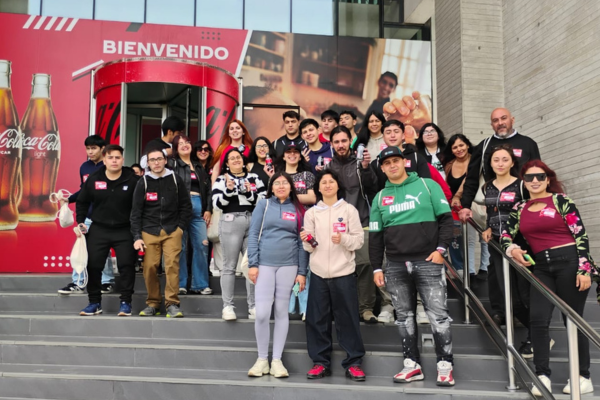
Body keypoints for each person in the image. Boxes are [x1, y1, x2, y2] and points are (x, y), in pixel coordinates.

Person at [501, 160, 599, 396]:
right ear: (523, 182)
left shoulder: (561, 201)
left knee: (573, 321)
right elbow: (505, 234)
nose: (535, 181)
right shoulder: (519, 208)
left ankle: (582, 376)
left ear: (548, 179)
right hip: (541, 268)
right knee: (537, 320)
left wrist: (584, 269)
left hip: (570, 263)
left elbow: (581, 235)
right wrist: (512, 249)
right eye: (529, 177)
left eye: (540, 177)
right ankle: (541, 375)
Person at [369, 146, 455, 387]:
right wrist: (377, 267)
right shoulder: (379, 197)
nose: (392, 165)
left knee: (438, 317)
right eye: (387, 163)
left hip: (427, 262)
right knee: (404, 317)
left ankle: (445, 366)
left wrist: (441, 250)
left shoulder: (428, 185)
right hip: (395, 265)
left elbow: (447, 220)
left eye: (396, 160)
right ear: (382, 168)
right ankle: (412, 366)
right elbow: (375, 236)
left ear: (404, 163)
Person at [302, 170, 367, 382]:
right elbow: (309, 247)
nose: (328, 185)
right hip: (319, 273)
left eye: (331, 181)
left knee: (347, 318)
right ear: (318, 188)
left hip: (344, 273)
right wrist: (308, 240)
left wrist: (344, 239)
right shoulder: (311, 213)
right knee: (317, 320)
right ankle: (320, 363)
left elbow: (358, 241)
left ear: (337, 186)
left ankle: (354, 362)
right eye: (323, 182)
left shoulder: (349, 210)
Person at [246, 172, 308, 378]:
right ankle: (262, 359)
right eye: (277, 183)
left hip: (289, 265)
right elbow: (253, 234)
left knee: (282, 311)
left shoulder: (298, 209)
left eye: (285, 183)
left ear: (291, 187)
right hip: (263, 264)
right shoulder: (263, 206)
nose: (281, 186)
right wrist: (253, 264)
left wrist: (301, 272)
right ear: (271, 187)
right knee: (262, 312)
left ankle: (277, 360)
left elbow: (302, 243)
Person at [479, 144, 532, 356]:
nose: (500, 164)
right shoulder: (487, 187)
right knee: (506, 291)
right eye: (496, 160)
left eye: (504, 159)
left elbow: (529, 212)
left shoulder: (521, 185)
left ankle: (536, 335)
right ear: (490, 164)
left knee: (523, 294)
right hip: (497, 245)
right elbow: (491, 212)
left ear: (512, 162)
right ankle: (536, 334)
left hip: (520, 244)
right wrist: (487, 227)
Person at [325, 126, 380, 323]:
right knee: (338, 269)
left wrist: (366, 168)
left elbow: (372, 186)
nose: (340, 145)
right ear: (331, 144)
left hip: (363, 221)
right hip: (337, 225)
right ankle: (342, 309)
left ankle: (366, 309)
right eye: (336, 142)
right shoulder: (328, 168)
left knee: (365, 264)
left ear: (350, 142)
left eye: (343, 141)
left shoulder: (360, 163)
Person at [76, 145, 139, 316]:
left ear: (122, 160)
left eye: (117, 158)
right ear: (104, 160)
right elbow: (82, 201)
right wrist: (80, 221)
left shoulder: (132, 180)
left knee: (126, 266)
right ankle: (94, 303)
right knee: (94, 266)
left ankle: (126, 302)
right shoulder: (94, 178)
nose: (114, 161)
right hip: (99, 229)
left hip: (124, 230)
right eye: (110, 157)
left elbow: (140, 206)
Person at [131, 148, 192, 318]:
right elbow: (135, 212)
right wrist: (137, 236)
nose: (156, 163)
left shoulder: (175, 179)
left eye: (159, 159)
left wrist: (181, 228)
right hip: (149, 230)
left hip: (172, 230)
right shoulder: (143, 182)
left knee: (172, 265)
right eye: (152, 160)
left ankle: (172, 303)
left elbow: (186, 206)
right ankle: (153, 303)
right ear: (148, 163)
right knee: (149, 267)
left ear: (165, 161)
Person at [458, 108, 541, 221]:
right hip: (495, 205)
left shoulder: (528, 144)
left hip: (524, 203)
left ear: (512, 120)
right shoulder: (483, 146)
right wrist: (466, 206)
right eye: (495, 120)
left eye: (504, 118)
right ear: (492, 124)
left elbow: (538, 175)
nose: (500, 123)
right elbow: (472, 179)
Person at [212, 148, 266, 320]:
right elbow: (216, 204)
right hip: (230, 220)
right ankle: (228, 307)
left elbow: (263, 199)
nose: (236, 160)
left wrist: (248, 192)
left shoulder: (255, 178)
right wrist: (229, 190)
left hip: (253, 220)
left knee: (252, 264)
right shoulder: (221, 179)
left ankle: (254, 306)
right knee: (229, 266)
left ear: (243, 160)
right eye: (231, 158)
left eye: (238, 157)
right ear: (226, 164)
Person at [58, 135, 116, 295]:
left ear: (102, 149)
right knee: (81, 248)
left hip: (106, 216)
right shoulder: (84, 167)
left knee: (103, 250)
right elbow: (84, 190)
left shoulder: (109, 166)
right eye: (88, 148)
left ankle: (107, 281)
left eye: (94, 148)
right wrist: (68, 199)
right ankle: (78, 282)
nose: (90, 152)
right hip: (88, 217)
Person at [170, 135, 212, 295]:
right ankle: (180, 284)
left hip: (198, 207)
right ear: (175, 148)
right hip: (179, 208)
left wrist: (208, 209)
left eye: (187, 142)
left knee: (202, 245)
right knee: (179, 247)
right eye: (180, 144)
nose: (184, 145)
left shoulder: (198, 167)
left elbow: (208, 190)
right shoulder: (172, 164)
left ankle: (200, 284)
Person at [442, 134, 489, 278]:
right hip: (458, 208)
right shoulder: (449, 165)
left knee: (484, 236)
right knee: (468, 239)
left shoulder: (476, 161)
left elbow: (469, 182)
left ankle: (484, 267)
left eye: (461, 145)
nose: (459, 149)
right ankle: (470, 272)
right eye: (455, 147)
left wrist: (457, 196)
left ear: (468, 145)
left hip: (477, 203)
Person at [371, 120, 430, 193]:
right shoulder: (377, 163)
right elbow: (373, 190)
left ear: (403, 135)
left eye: (396, 131)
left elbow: (426, 183)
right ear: (383, 137)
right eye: (388, 132)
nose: (392, 135)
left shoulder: (416, 157)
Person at [272, 143, 316, 208]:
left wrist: (286, 196)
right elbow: (272, 198)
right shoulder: (277, 176)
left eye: (296, 152)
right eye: (288, 151)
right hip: (281, 213)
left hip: (303, 215)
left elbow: (312, 198)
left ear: (300, 157)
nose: (292, 154)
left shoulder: (307, 175)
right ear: (283, 157)